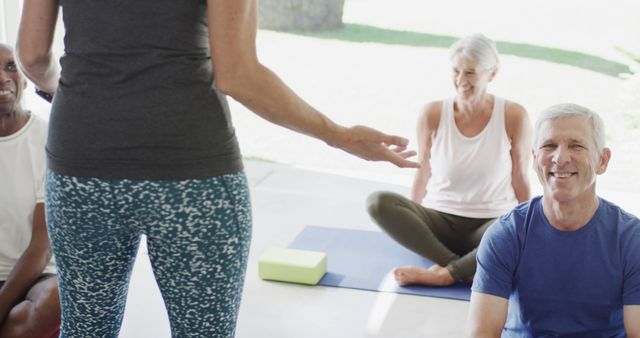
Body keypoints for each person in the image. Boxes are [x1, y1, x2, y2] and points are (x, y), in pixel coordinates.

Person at [17, 0, 418, 337]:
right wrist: (340, 136)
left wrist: (71, 91)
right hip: (193, 177)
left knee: (86, 328)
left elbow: (33, 54)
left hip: (81, 167)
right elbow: (239, 76)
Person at [367, 34, 531, 286]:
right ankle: (463, 268)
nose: (461, 81)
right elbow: (423, 171)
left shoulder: (513, 115)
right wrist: (414, 218)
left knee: (520, 230)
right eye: (455, 71)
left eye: (470, 73)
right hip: (439, 222)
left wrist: (527, 226)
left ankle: (444, 274)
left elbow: (520, 175)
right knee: (378, 202)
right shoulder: (432, 113)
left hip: (490, 225)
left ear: (492, 74)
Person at [468, 103, 640, 337]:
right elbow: (482, 334)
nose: (560, 158)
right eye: (549, 145)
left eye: (576, 146)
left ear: (603, 160)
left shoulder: (631, 240)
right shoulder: (506, 234)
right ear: (535, 157)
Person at [0, 43, 60, 338]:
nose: (2, 78)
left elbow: (41, 247)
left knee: (57, 298)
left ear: (24, 76)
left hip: (38, 275)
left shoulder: (49, 138)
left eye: (11, 67)